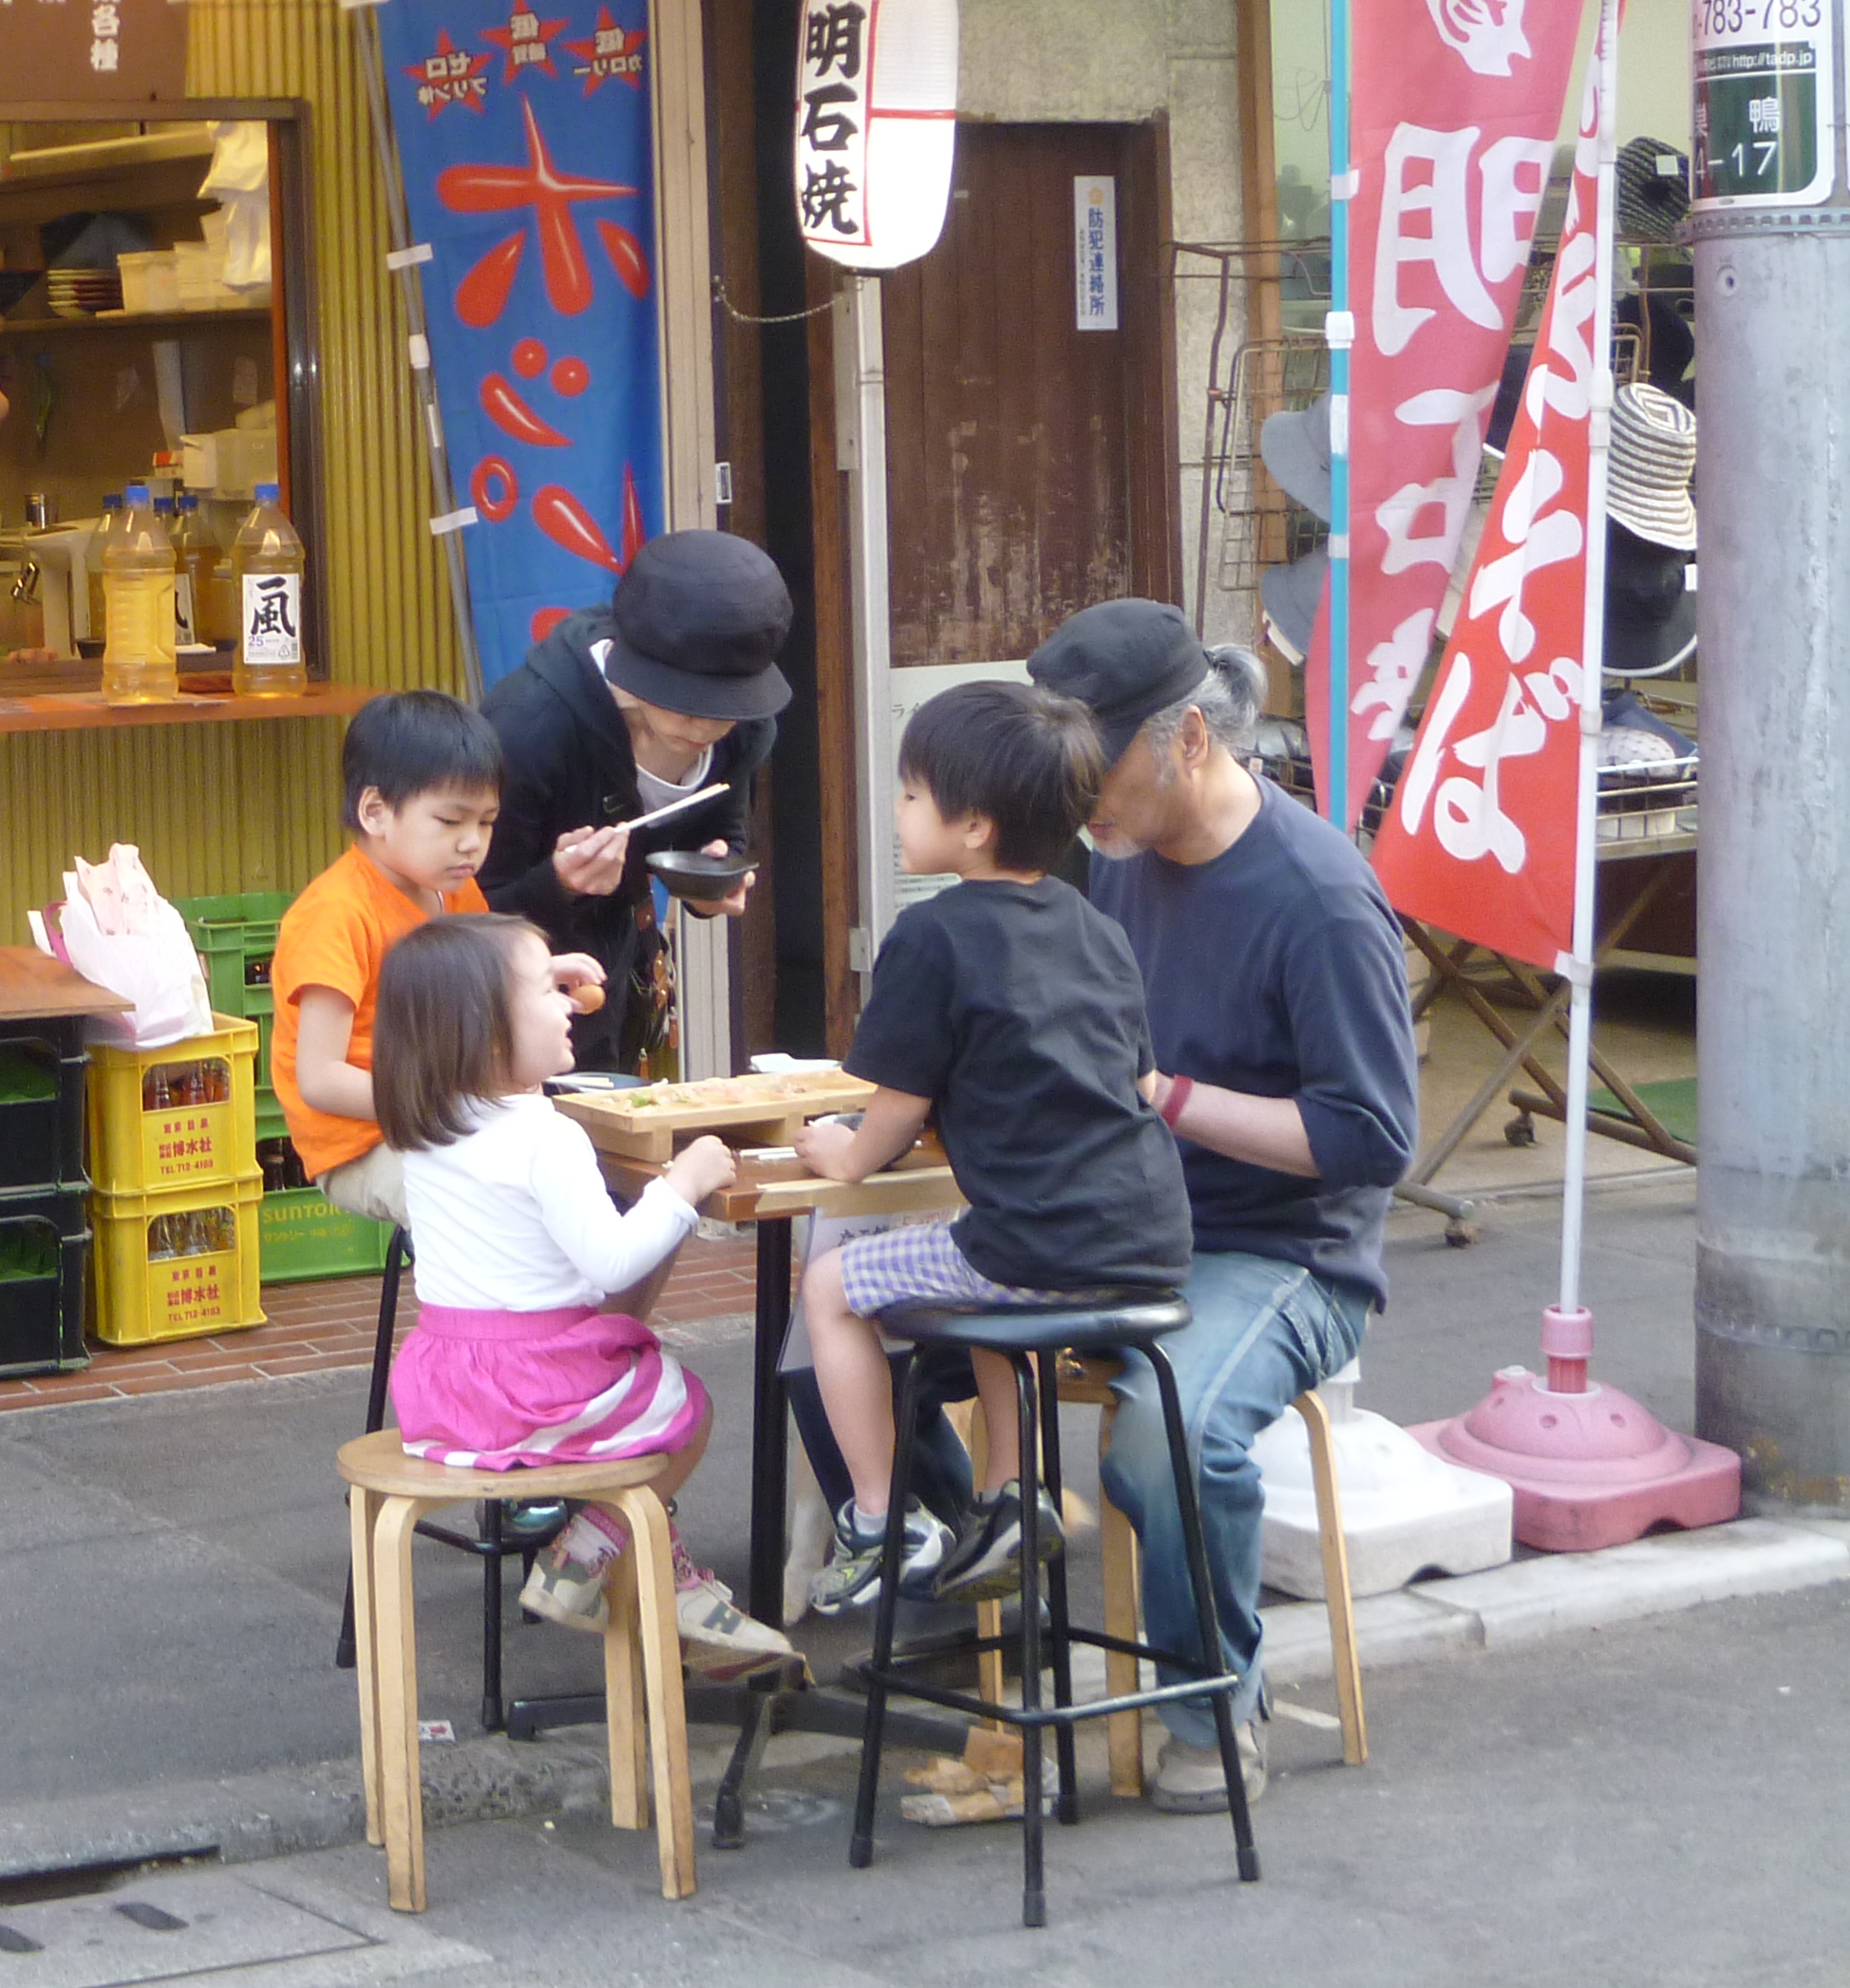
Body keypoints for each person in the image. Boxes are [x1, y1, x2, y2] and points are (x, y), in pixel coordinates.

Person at [1027, 599, 1417, 1813]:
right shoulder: (1111, 854)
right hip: (1122, 1220)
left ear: (1187, 738)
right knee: (854, 1310)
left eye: (1093, 775)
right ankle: (975, 1668)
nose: (1079, 807)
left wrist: (1166, 1097)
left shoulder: (1317, 898)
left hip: (1284, 1251)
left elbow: (1369, 1140)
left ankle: (1210, 1710)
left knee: (1167, 1430)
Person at [794, 680, 1193, 1613]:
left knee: (829, 1290)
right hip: (1151, 1236)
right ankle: (1011, 1495)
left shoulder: (931, 934)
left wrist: (842, 1156)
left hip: (1035, 1246)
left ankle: (879, 1520)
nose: (897, 809)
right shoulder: (1096, 928)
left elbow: (896, 1108)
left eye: (910, 793)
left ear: (972, 826)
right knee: (980, 1271)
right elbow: (1127, 1079)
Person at [376, 911, 795, 1671]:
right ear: (490, 1033)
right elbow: (611, 1262)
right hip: (537, 1391)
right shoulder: (548, 1135)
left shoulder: (430, 1129)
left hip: (446, 1394)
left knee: (626, 1376)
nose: (570, 1005)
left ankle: (667, 1583)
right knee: (685, 1404)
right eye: (547, 991)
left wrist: (534, 974)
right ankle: (588, 1549)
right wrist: (682, 1183)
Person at [479, 531, 790, 1073]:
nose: (705, 728)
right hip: (507, 1005)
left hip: (625, 982)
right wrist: (558, 884)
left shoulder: (743, 731)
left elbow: (721, 827)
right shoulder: (528, 728)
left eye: (726, 707)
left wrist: (713, 878)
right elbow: (463, 912)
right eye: (687, 704)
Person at [268, 691, 519, 1227]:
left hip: (446, 1116)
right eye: (450, 821)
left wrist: (547, 980)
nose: (472, 843)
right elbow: (320, 1079)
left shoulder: (455, 892)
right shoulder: (335, 913)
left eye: (486, 822)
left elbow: (492, 985)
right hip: (363, 1143)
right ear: (375, 812)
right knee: (484, 1206)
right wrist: (446, 1105)